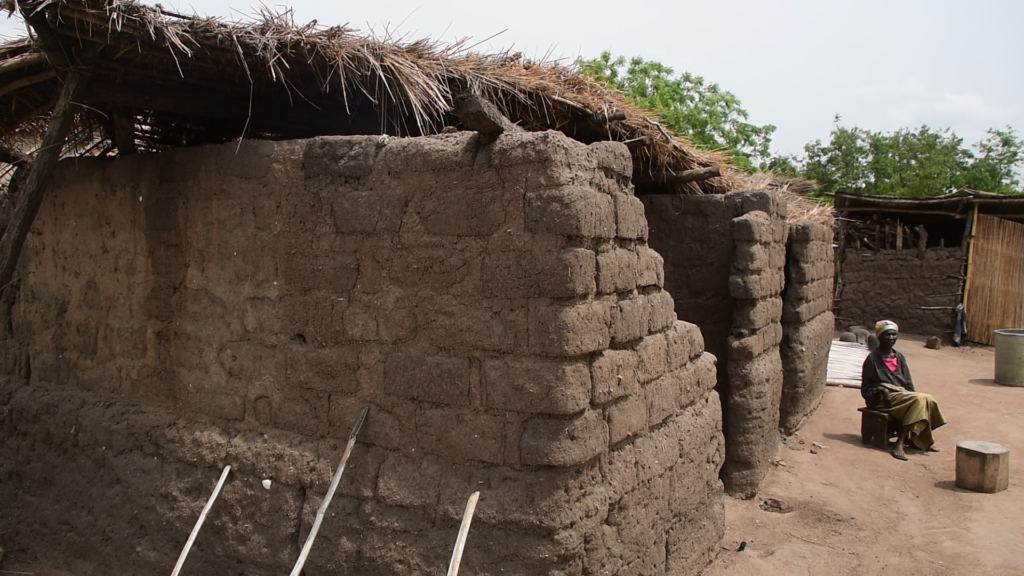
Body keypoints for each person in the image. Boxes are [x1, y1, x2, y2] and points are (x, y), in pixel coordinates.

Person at [860, 320, 947, 461]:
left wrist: (911, 395)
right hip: (883, 400)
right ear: (879, 337)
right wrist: (881, 391)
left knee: (927, 399)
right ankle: (899, 443)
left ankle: (915, 439)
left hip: (901, 396)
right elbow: (866, 388)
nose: (891, 338)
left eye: (894, 335)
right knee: (919, 399)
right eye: (887, 335)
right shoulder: (872, 360)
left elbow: (908, 383)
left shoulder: (899, 357)